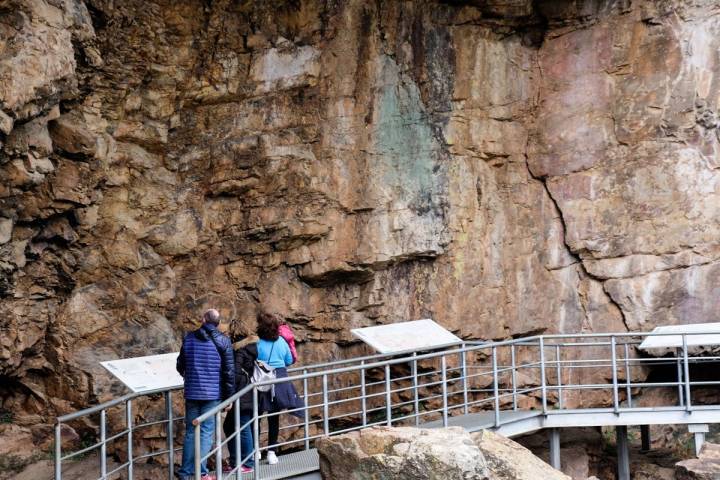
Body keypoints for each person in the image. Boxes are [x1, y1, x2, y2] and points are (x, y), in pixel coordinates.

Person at [176, 309, 235, 480]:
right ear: (218, 323)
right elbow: (228, 372)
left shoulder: (189, 338)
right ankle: (201, 473)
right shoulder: (223, 341)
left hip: (192, 393)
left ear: (203, 320)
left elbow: (180, 365)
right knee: (205, 433)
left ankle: (185, 474)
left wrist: (191, 377)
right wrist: (229, 398)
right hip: (212, 394)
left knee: (190, 433)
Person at [256, 312, 304, 465]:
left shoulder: (256, 342)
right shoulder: (282, 341)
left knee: (256, 416)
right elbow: (289, 359)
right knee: (274, 418)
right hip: (280, 380)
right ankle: (271, 453)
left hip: (261, 380)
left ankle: (255, 451)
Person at [222, 335, 258, 474]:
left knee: (243, 427)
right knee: (230, 425)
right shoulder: (252, 349)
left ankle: (247, 463)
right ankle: (235, 462)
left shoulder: (240, 351)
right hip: (246, 393)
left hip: (241, 394)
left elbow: (235, 374)